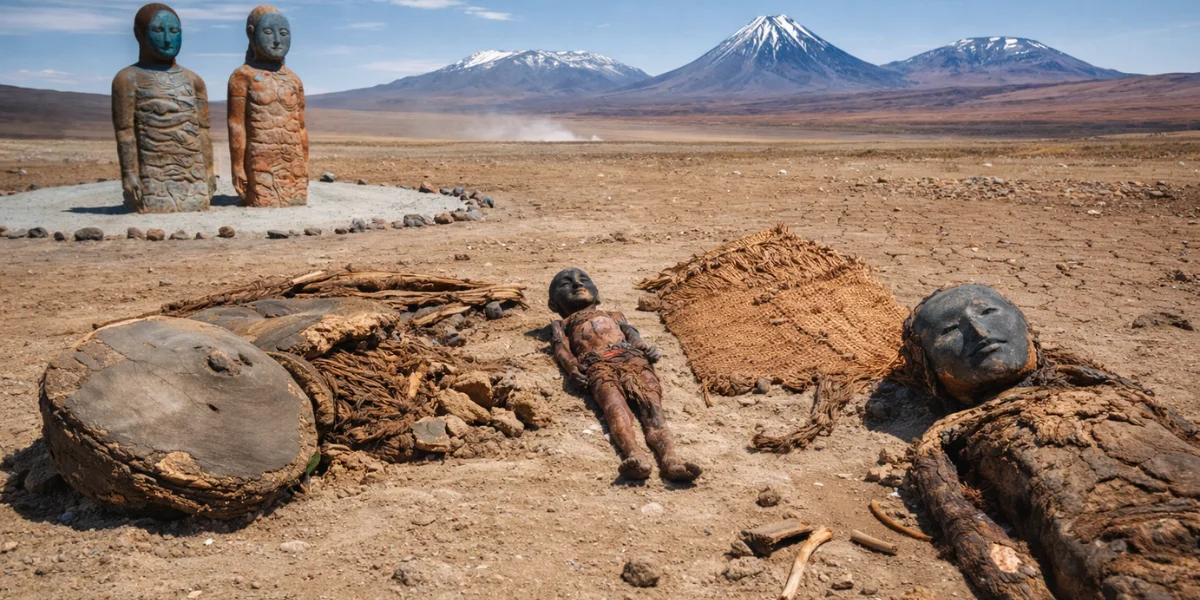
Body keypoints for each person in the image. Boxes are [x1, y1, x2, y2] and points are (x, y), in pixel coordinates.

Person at [902, 284, 1199, 600]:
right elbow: (966, 527)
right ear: (928, 365)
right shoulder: (956, 433)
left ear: (1024, 324)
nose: (978, 330)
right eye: (949, 330)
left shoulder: (1112, 390)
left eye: (988, 311)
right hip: (1129, 558)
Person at [548, 268, 701, 482]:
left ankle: (671, 460)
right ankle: (636, 456)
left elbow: (631, 333)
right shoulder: (561, 324)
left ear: (597, 293)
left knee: (653, 410)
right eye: (565, 284)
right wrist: (572, 367)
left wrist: (644, 347)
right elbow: (561, 347)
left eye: (583, 280)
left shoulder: (615, 315)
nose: (577, 285)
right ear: (553, 304)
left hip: (633, 359)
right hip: (597, 364)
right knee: (616, 410)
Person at [112, 3, 214, 213]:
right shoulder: (127, 79)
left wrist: (209, 171)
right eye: (158, 30)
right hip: (152, 172)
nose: (168, 39)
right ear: (139, 34)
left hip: (191, 174)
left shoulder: (193, 80)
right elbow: (125, 131)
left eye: (174, 31)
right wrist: (129, 173)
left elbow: (203, 131)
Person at [227, 5, 309, 208]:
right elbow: (236, 125)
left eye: (283, 33)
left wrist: (305, 162)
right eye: (268, 32)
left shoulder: (294, 80)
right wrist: (237, 166)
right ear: (252, 34)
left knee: (295, 200)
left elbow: (301, 127)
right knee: (264, 201)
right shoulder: (242, 76)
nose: (276, 40)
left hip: (293, 162)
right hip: (261, 162)